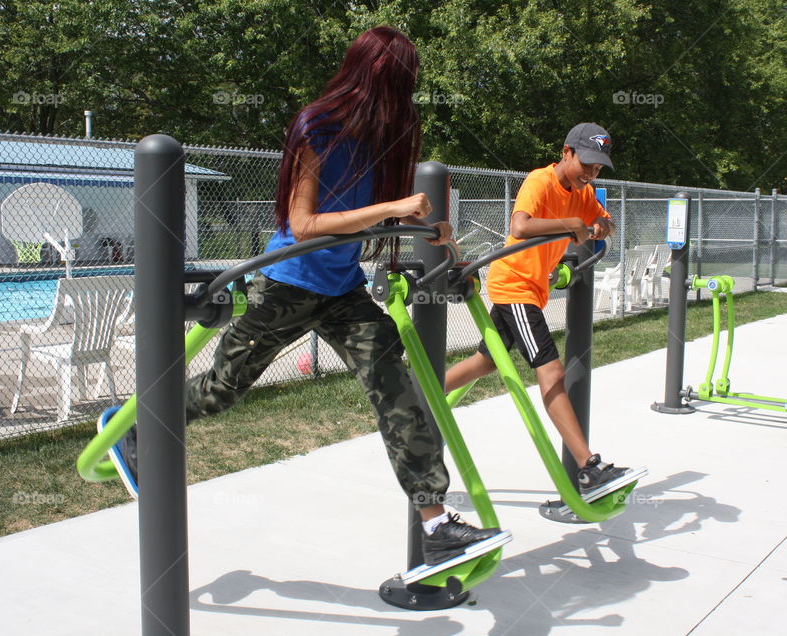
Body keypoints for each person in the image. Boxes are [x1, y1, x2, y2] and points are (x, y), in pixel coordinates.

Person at [108, 26, 504, 567]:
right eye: (397, 84)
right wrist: (390, 210)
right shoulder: (317, 127)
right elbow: (304, 223)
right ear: (370, 79)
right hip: (286, 285)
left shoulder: (383, 135)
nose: (402, 100)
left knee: (399, 392)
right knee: (223, 389)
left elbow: (376, 215)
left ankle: (435, 524)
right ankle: (131, 423)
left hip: (344, 292)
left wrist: (430, 229)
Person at [444, 123, 640, 501]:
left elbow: (607, 223)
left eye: (598, 169)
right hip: (515, 285)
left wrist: (600, 224)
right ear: (567, 152)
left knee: (487, 362)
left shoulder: (582, 193)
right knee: (550, 370)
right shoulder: (540, 180)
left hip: (534, 290)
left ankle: (422, 393)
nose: (591, 173)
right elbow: (520, 226)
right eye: (587, 164)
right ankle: (588, 467)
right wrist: (572, 226)